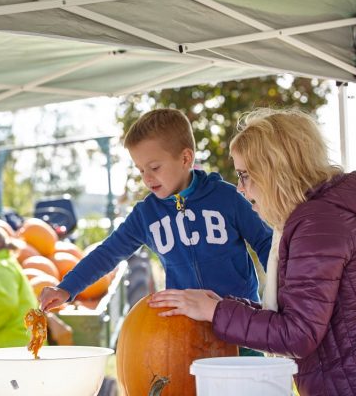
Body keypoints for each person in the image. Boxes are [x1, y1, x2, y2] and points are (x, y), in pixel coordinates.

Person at [149, 108, 356, 395]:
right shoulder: (334, 212)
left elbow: (297, 334)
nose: (241, 189)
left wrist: (214, 311)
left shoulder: (317, 227)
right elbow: (306, 314)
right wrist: (223, 305)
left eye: (244, 175)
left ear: (274, 172)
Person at [40, 108, 272, 317]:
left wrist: (281, 288)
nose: (147, 178)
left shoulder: (226, 198)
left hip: (239, 320)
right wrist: (66, 288)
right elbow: (108, 253)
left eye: (154, 167)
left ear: (185, 158)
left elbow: (265, 242)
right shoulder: (146, 215)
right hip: (184, 326)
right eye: (141, 170)